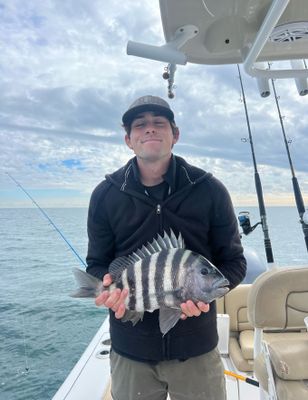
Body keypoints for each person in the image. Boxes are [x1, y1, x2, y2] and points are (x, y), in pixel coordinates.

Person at [86, 95, 247, 400]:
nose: (150, 129)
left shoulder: (209, 190)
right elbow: (97, 263)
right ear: (128, 139)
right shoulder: (105, 195)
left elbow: (234, 263)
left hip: (196, 348)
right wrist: (107, 286)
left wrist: (204, 296)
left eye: (159, 123)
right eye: (140, 125)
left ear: (175, 134)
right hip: (131, 350)